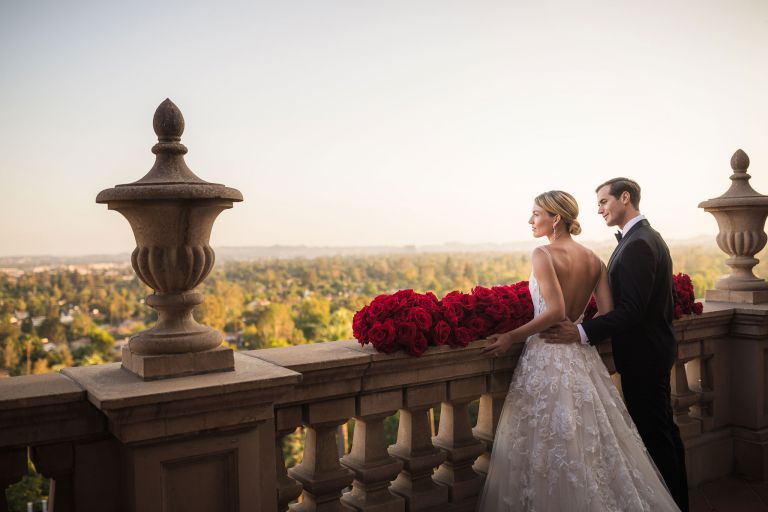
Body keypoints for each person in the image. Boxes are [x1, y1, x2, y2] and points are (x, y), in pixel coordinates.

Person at [477, 190, 679, 512]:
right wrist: (581, 331)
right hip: (581, 356)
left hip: (546, 354)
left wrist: (510, 336)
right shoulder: (594, 260)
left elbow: (555, 311)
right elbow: (608, 313)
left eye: (536, 214)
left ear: (556, 218)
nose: (531, 220)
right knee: (586, 442)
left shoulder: (542, 254)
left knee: (546, 441)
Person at [540, 178, 689, 511]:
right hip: (653, 351)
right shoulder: (647, 237)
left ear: (625, 198)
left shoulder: (639, 244)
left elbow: (632, 309)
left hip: (644, 356)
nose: (599, 209)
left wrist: (581, 332)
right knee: (663, 431)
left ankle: (671, 504)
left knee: (655, 437)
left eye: (604, 201)